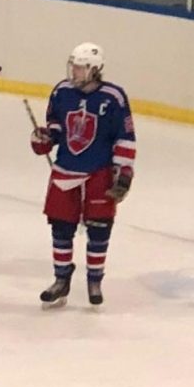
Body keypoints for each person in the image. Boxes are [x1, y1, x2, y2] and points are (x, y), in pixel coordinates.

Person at [30, 43, 136, 308]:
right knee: (60, 228)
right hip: (65, 170)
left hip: (99, 174)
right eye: (73, 66)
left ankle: (94, 280)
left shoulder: (113, 97)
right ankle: (61, 279)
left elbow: (125, 137)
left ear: (94, 69)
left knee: (99, 230)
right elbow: (55, 127)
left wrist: (124, 174)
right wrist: (44, 137)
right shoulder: (62, 92)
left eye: (79, 67)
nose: (74, 72)